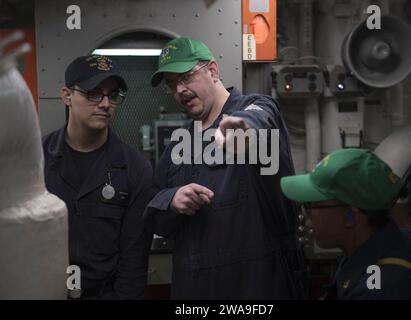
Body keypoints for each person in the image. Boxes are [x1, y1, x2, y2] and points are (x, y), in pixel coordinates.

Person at [145, 37, 305, 299]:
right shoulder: (178, 144)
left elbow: (260, 117)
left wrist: (242, 128)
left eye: (186, 77)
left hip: (255, 287)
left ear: (213, 71)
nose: (180, 90)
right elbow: (153, 213)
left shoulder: (256, 109)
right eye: (172, 85)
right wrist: (171, 200)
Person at [42, 55, 153, 299]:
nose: (105, 104)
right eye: (93, 93)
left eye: (112, 95)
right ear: (67, 96)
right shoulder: (38, 161)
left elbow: (134, 261)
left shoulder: (135, 168)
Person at [281, 148, 411, 300]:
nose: (306, 215)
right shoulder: (404, 239)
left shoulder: (382, 289)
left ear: (350, 217)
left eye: (312, 205)